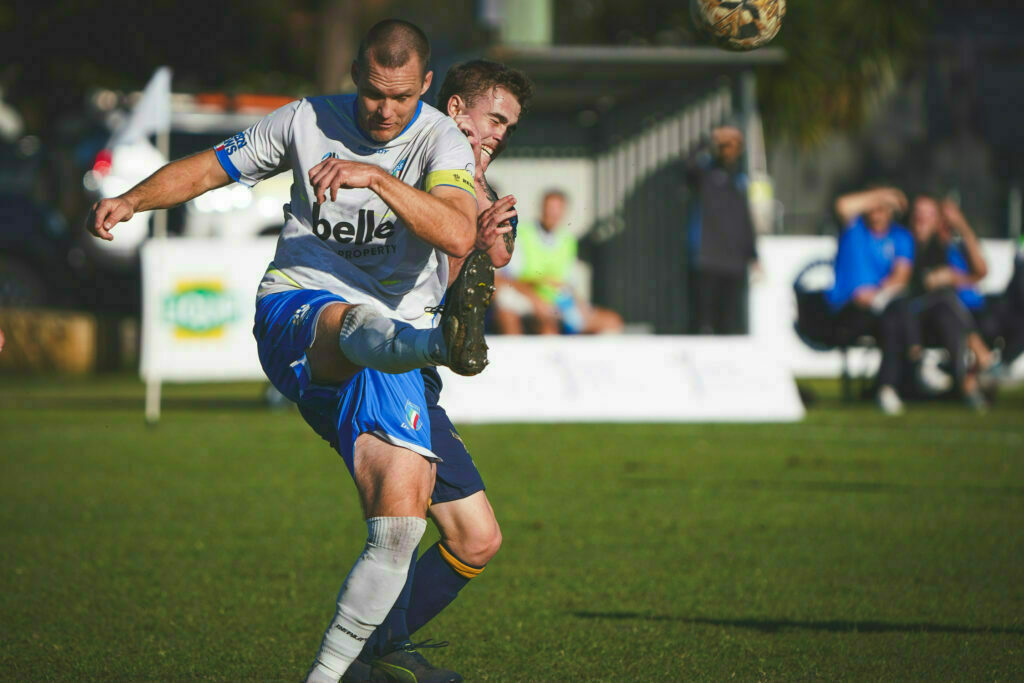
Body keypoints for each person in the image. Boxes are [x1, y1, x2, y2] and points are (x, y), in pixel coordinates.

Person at [87, 20, 496, 682]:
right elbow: (211, 167)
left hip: (384, 354)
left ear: (425, 86)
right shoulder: (305, 119)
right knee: (358, 318)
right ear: (353, 77)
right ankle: (436, 342)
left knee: (400, 527)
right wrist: (132, 199)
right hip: (300, 312)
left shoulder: (440, 138)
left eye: (399, 98)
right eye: (371, 94)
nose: (384, 111)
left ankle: (331, 676)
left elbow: (456, 231)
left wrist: (378, 179)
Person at [343, 59, 532, 683]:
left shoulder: (475, 181)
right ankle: (371, 654)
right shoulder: (421, 163)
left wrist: (489, 231)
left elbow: (494, 256)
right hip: (387, 358)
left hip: (419, 369)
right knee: (439, 528)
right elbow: (414, 266)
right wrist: (470, 231)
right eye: (495, 117)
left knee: (474, 538)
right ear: (456, 110)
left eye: (510, 125)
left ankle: (377, 651)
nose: (501, 132)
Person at [827, 186, 916, 415]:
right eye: (873, 207)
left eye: (883, 208)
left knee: (894, 317)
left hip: (881, 308)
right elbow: (842, 205)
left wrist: (877, 293)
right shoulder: (854, 230)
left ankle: (886, 387)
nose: (877, 212)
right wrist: (884, 193)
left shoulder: (900, 237)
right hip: (848, 312)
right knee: (894, 315)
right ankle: (917, 357)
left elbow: (901, 276)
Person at [494, 189, 623, 335]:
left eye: (557, 209)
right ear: (542, 209)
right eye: (549, 208)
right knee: (546, 325)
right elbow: (505, 279)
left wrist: (581, 306)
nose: (553, 213)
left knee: (611, 322)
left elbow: (568, 283)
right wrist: (538, 290)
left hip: (559, 302)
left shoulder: (568, 240)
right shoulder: (522, 234)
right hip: (529, 298)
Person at [908, 196, 993, 408]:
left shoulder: (956, 245)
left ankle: (973, 377)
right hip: (935, 314)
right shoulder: (920, 246)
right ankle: (972, 373)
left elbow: (980, 272)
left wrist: (962, 226)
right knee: (947, 307)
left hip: (967, 310)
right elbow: (925, 282)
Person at [684, 125, 759, 335]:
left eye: (735, 145)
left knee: (730, 322)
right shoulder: (704, 172)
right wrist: (709, 139)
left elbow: (745, 219)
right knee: (703, 321)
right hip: (706, 258)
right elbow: (688, 164)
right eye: (725, 144)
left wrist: (753, 254)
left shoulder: (740, 178)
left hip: (733, 261)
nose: (730, 149)